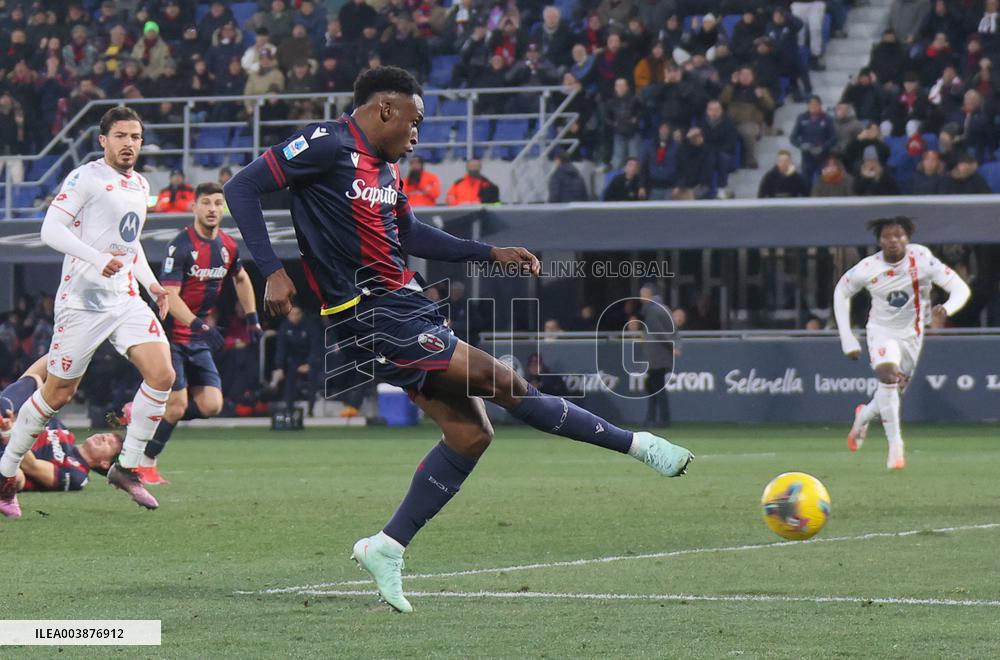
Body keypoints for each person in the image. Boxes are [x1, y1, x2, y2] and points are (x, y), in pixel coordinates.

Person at [223, 66, 693, 613]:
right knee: (503, 380)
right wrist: (271, 269)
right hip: (366, 312)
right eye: (415, 121)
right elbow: (242, 186)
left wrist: (488, 253)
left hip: (406, 302)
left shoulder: (388, 172)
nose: (418, 133)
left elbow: (411, 234)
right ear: (384, 110)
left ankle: (386, 546)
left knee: (471, 435)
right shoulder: (328, 144)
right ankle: (636, 445)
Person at [0, 107, 172, 517]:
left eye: (136, 137)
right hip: (82, 302)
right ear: (103, 140)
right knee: (59, 392)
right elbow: (50, 230)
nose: (129, 143)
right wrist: (96, 258)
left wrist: (150, 284)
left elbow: (131, 243)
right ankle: (6, 475)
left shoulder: (139, 184)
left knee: (163, 375)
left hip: (125, 298)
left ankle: (127, 466)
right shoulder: (86, 178)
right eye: (121, 136)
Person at [135, 182, 261, 485]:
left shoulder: (228, 247)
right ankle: (146, 461)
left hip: (197, 338)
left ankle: (156, 411)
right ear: (194, 207)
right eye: (206, 203)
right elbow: (169, 294)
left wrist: (253, 318)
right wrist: (199, 325)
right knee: (177, 406)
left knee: (212, 405)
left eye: (218, 203)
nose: (212, 209)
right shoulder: (180, 246)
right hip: (170, 337)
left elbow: (241, 279)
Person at [833, 217, 970, 469]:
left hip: (912, 334)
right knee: (887, 375)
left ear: (907, 238)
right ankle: (896, 447)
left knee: (891, 392)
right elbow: (841, 291)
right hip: (881, 330)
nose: (893, 240)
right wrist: (847, 339)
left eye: (899, 235)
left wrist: (947, 308)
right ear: (879, 240)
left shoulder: (923, 258)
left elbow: (961, 289)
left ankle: (863, 416)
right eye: (887, 236)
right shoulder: (868, 267)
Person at [638, 284, 676, 427]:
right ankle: (651, 418)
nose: (641, 299)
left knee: (656, 388)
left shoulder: (652, 309)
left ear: (648, 295)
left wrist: (671, 345)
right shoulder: (660, 308)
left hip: (656, 357)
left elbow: (659, 332)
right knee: (653, 387)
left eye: (642, 295)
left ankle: (662, 420)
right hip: (658, 356)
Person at [273, 306, 315, 411]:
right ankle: (288, 407)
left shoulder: (310, 325)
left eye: (298, 314)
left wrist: (309, 363)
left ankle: (311, 407)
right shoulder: (285, 327)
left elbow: (316, 346)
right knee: (289, 375)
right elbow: (281, 348)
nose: (295, 317)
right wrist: (279, 367)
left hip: (310, 358)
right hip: (294, 359)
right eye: (292, 314)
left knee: (313, 375)